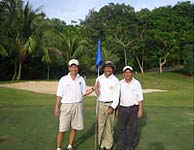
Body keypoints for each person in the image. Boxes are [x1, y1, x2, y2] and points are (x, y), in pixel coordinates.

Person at [54, 59, 95, 150]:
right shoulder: (63, 79)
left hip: (78, 105)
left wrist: (93, 88)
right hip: (66, 106)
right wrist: (57, 106)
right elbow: (59, 94)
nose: (74, 69)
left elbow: (84, 92)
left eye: (75, 67)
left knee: (74, 127)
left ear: (78, 68)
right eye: (72, 67)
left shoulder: (81, 79)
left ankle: (70, 145)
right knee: (62, 129)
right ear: (69, 68)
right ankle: (59, 148)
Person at [95, 60, 120, 150]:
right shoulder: (99, 78)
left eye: (110, 67)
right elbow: (97, 94)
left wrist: (113, 107)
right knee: (101, 126)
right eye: (106, 67)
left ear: (112, 69)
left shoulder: (116, 80)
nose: (108, 69)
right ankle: (101, 145)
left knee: (109, 127)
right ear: (103, 69)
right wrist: (96, 91)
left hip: (110, 104)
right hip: (100, 104)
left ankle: (108, 145)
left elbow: (117, 96)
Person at [118, 66, 143, 150]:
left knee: (133, 129)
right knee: (122, 129)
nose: (128, 74)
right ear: (123, 74)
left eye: (129, 72)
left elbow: (140, 97)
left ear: (132, 73)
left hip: (133, 108)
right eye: (126, 72)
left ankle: (131, 147)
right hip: (122, 108)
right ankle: (122, 146)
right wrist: (117, 110)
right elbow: (117, 98)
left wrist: (140, 110)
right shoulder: (120, 83)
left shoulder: (137, 83)